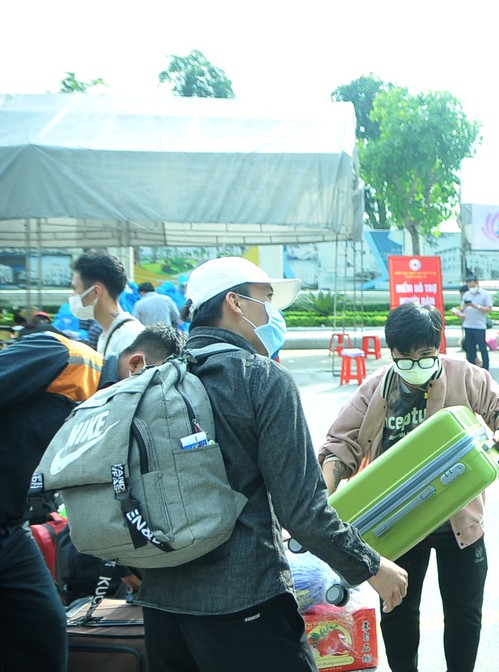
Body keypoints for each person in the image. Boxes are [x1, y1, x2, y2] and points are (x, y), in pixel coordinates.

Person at [135, 256, 407, 671]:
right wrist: (370, 566)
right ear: (235, 303)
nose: (273, 313)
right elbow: (303, 511)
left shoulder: (156, 381)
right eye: (265, 299)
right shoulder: (261, 378)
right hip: (243, 602)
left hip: (163, 605)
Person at [319, 302, 499, 672]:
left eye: (425, 355)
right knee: (397, 613)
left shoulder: (465, 375)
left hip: (459, 526)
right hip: (395, 525)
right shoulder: (377, 388)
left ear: (438, 347)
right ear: (392, 353)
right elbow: (340, 444)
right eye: (405, 358)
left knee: (464, 616)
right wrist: (326, 493)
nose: (416, 364)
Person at [0, 325, 185, 672]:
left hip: (10, 528)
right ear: (136, 365)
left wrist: (122, 561)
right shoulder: (70, 360)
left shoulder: (114, 419)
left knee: (42, 631)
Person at [70, 250, 145, 358]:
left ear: (96, 292)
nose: (72, 296)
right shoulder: (107, 334)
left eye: (75, 289)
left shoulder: (130, 337)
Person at [457, 274, 493, 370]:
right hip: (468, 325)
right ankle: (471, 368)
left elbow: (489, 309)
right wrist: (464, 306)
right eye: (469, 285)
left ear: (477, 283)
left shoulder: (485, 294)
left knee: (482, 347)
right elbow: (461, 309)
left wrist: (476, 306)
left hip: (479, 325)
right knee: (470, 349)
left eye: (472, 285)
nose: (471, 287)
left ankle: (485, 367)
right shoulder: (466, 294)